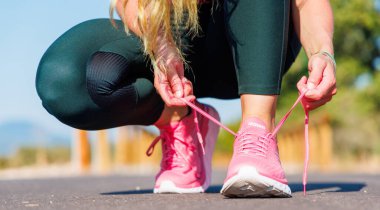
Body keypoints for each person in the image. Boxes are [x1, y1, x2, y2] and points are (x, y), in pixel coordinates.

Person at [35, 0, 336, 197]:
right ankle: (181, 122)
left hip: (254, 37)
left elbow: (306, 2)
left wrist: (323, 51)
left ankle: (257, 131)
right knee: (62, 82)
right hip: (167, 37)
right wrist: (162, 49)